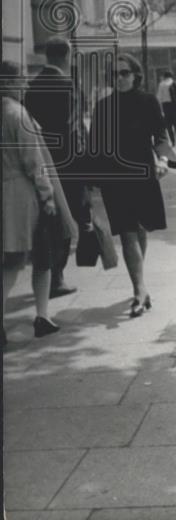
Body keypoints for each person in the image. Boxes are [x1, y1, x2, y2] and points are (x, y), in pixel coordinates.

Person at [87, 53, 169, 317]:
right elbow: (95, 146)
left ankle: (140, 283)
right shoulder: (102, 107)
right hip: (115, 178)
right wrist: (92, 181)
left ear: (135, 75)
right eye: (114, 74)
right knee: (128, 233)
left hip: (143, 174)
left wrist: (164, 160)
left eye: (124, 73)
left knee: (140, 229)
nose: (119, 78)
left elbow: (161, 135)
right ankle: (139, 291)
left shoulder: (148, 101)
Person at [1, 61, 78, 341]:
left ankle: (38, 317)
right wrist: (48, 198)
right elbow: (35, 162)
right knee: (34, 258)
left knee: (12, 259)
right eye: (20, 80)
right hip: (25, 196)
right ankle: (42, 316)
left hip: (5, 194)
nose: (26, 85)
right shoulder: (18, 114)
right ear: (7, 84)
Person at [24, 36, 91, 297]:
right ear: (67, 55)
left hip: (42, 160)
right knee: (72, 215)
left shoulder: (32, 86)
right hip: (68, 163)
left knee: (49, 219)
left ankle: (51, 274)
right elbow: (73, 129)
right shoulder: (67, 85)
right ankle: (57, 277)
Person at [156, 70, 176, 146]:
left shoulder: (162, 84)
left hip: (166, 106)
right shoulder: (175, 84)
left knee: (168, 124)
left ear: (164, 76)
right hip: (174, 105)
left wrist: (159, 108)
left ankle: (173, 141)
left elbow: (159, 97)